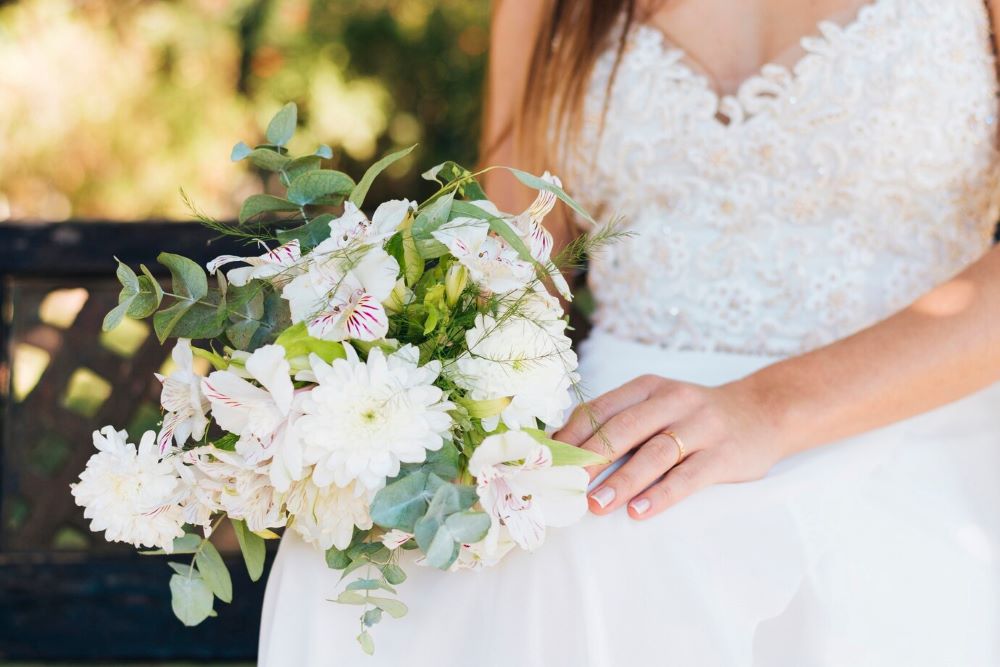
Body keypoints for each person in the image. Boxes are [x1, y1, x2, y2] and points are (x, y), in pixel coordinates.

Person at [260, 1, 1000, 664]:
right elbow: (511, 266)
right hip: (610, 423)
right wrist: (378, 393)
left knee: (625, 548)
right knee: (357, 550)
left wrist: (764, 409)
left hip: (902, 413)